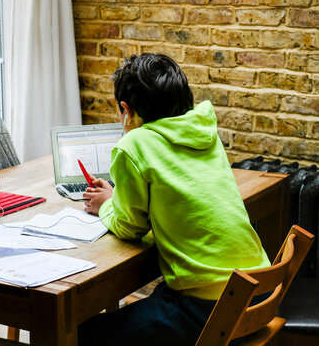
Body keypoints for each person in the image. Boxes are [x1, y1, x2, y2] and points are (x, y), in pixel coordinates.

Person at [79, 53, 270, 345]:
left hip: (211, 309)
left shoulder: (134, 144)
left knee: (82, 335)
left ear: (126, 111)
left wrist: (106, 203)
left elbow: (131, 228)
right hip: (256, 291)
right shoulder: (205, 129)